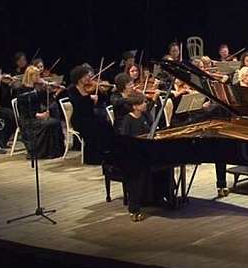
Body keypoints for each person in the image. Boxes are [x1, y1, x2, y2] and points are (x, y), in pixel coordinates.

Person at [117, 91, 175, 222]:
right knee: (137, 176)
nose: (145, 104)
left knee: (167, 165)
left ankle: (163, 196)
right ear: (135, 106)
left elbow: (151, 131)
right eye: (143, 102)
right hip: (133, 156)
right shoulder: (127, 120)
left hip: (146, 152)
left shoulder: (144, 116)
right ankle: (134, 209)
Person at [67, 65, 113, 165]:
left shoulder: (90, 87)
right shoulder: (72, 89)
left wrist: (100, 91)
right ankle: (92, 158)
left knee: (106, 125)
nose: (88, 78)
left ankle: (105, 153)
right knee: (94, 129)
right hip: (79, 119)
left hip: (91, 116)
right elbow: (77, 103)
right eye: (85, 76)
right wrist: (89, 98)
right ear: (79, 78)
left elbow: (102, 100)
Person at [15, 65, 64, 159]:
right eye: (36, 75)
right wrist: (38, 115)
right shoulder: (22, 90)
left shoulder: (37, 88)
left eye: (38, 75)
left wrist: (53, 91)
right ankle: (43, 152)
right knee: (50, 123)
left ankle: (55, 152)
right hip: (28, 119)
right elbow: (24, 110)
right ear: (30, 76)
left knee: (55, 122)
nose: (39, 77)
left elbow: (45, 102)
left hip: (37, 115)